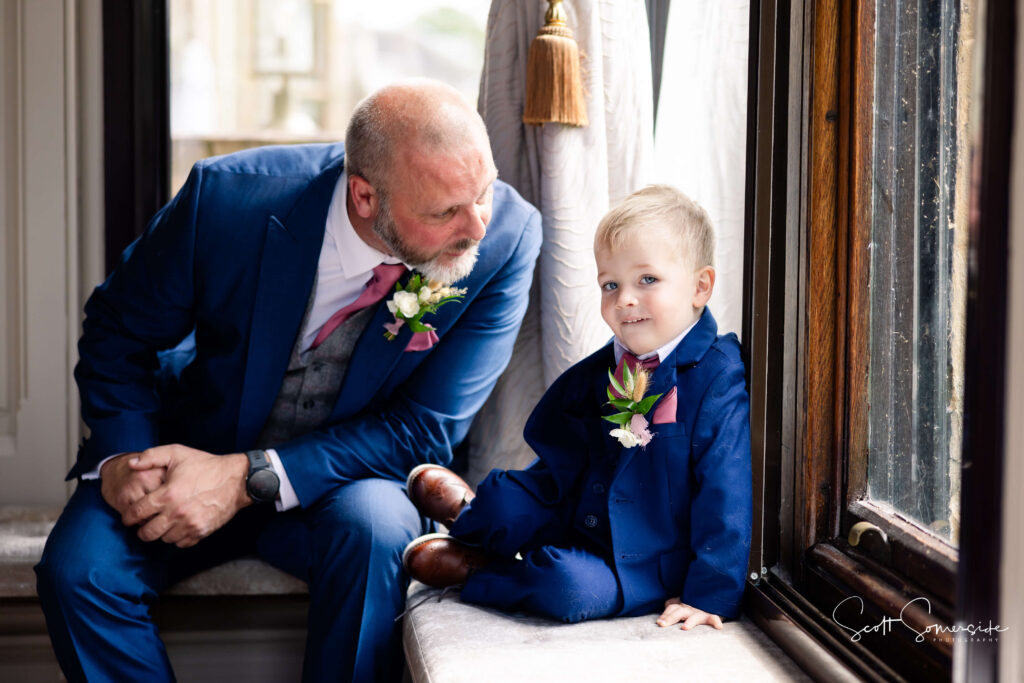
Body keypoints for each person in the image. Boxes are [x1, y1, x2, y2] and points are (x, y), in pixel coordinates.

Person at [34, 79, 542, 682]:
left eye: (482, 192)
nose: (477, 225)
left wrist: (248, 478)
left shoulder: (507, 236)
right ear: (364, 197)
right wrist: (123, 456)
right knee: (80, 572)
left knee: (377, 529)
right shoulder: (226, 202)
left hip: (347, 480)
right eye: (446, 212)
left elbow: (423, 427)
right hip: (193, 448)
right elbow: (117, 330)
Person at [403, 184, 752, 628]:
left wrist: (710, 596)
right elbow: (570, 443)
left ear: (700, 287)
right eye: (611, 284)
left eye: (647, 280)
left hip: (637, 559)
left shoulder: (717, 374)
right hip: (575, 504)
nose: (625, 298)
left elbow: (727, 493)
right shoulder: (617, 357)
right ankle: (471, 516)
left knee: (567, 589)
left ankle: (485, 569)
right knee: (505, 504)